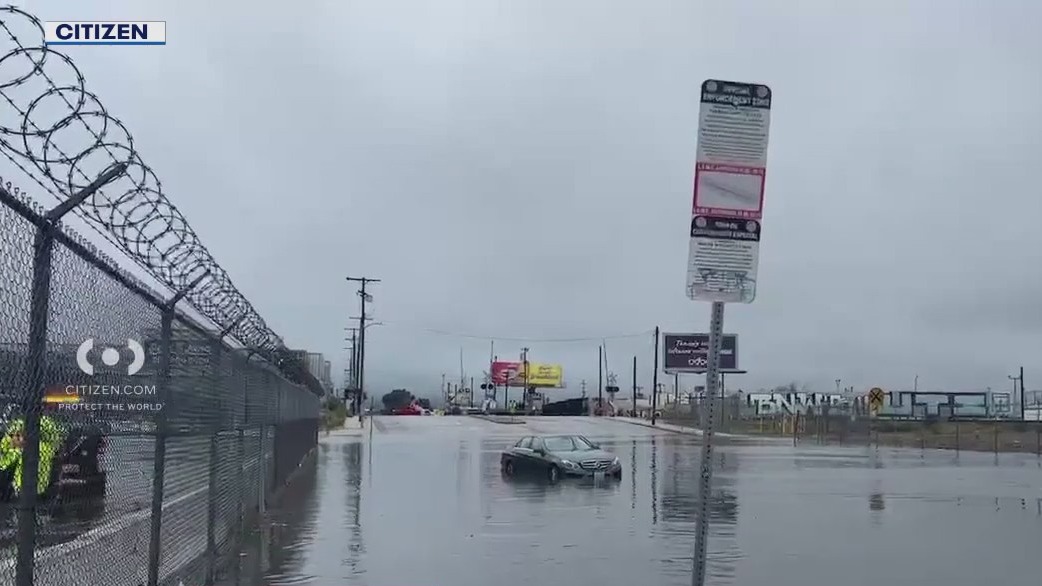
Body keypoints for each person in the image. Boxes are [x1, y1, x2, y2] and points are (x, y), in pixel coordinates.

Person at [0, 414, 64, 498]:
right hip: (22, 487)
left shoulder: (44, 440)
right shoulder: (15, 429)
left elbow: (54, 443)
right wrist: (15, 448)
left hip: (35, 488)